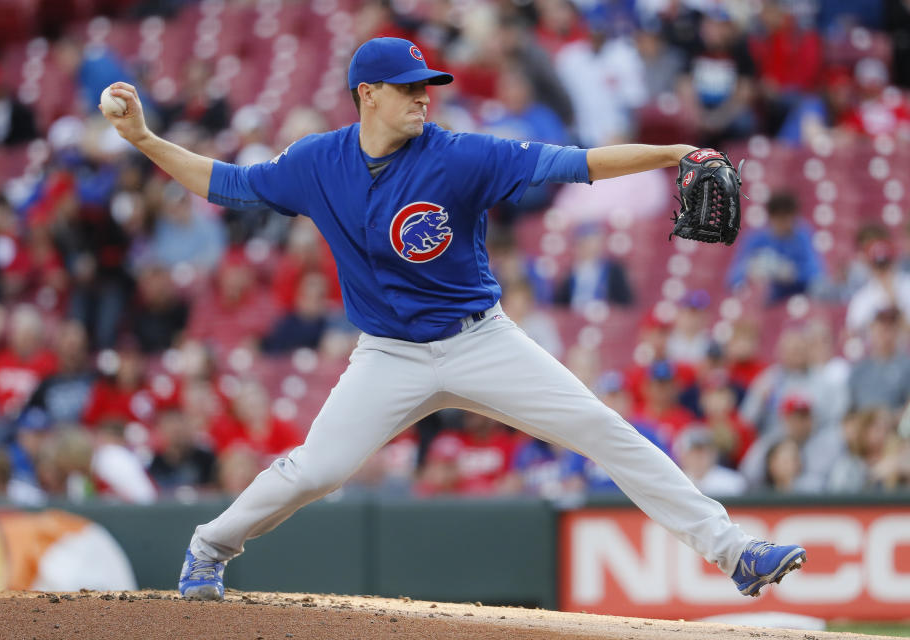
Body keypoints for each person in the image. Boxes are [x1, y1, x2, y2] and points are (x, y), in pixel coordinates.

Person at [100, 36, 805, 602]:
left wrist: (673, 152)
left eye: (427, 86)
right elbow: (228, 184)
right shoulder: (318, 163)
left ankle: (734, 551)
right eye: (409, 89)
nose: (423, 98)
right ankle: (208, 548)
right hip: (388, 356)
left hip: (480, 340)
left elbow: (575, 163)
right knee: (317, 470)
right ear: (366, 96)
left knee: (604, 429)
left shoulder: (461, 154)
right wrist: (144, 141)